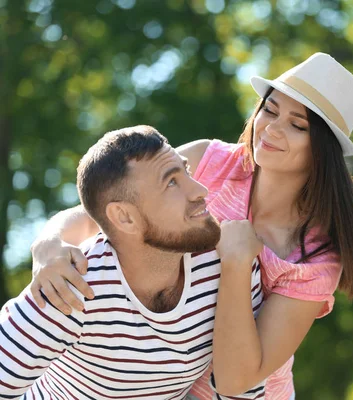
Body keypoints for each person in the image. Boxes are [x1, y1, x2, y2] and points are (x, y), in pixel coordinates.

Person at [28, 53, 353, 399]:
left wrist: (236, 262)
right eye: (270, 110)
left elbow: (234, 379)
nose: (272, 129)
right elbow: (102, 213)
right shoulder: (208, 162)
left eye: (297, 125)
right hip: (164, 385)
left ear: (322, 149)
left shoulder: (315, 259)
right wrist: (48, 245)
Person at [0, 126, 264, 399]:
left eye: (185, 171)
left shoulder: (231, 263)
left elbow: (241, 392)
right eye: (172, 182)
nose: (200, 190)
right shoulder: (71, 287)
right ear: (125, 218)